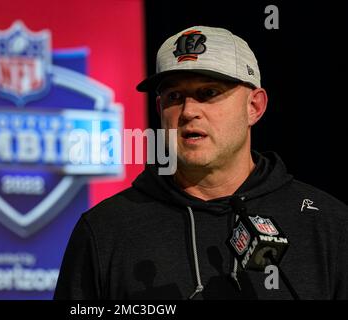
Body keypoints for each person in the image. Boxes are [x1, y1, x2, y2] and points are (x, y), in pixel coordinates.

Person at [53, 26, 348, 300]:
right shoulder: (106, 229)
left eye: (208, 93)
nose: (188, 111)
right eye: (174, 96)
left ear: (254, 107)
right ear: (159, 110)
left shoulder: (326, 223)